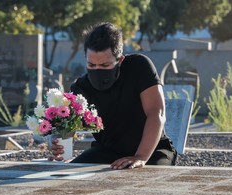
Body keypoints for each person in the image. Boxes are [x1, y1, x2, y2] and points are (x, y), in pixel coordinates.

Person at [50, 22, 177, 169]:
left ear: (120, 60)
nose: (97, 70)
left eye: (105, 65)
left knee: (144, 179)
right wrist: (58, 142)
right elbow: (68, 130)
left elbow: (156, 113)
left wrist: (140, 157)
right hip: (106, 152)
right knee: (65, 174)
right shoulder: (81, 88)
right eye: (91, 65)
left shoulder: (139, 67)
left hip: (153, 151)